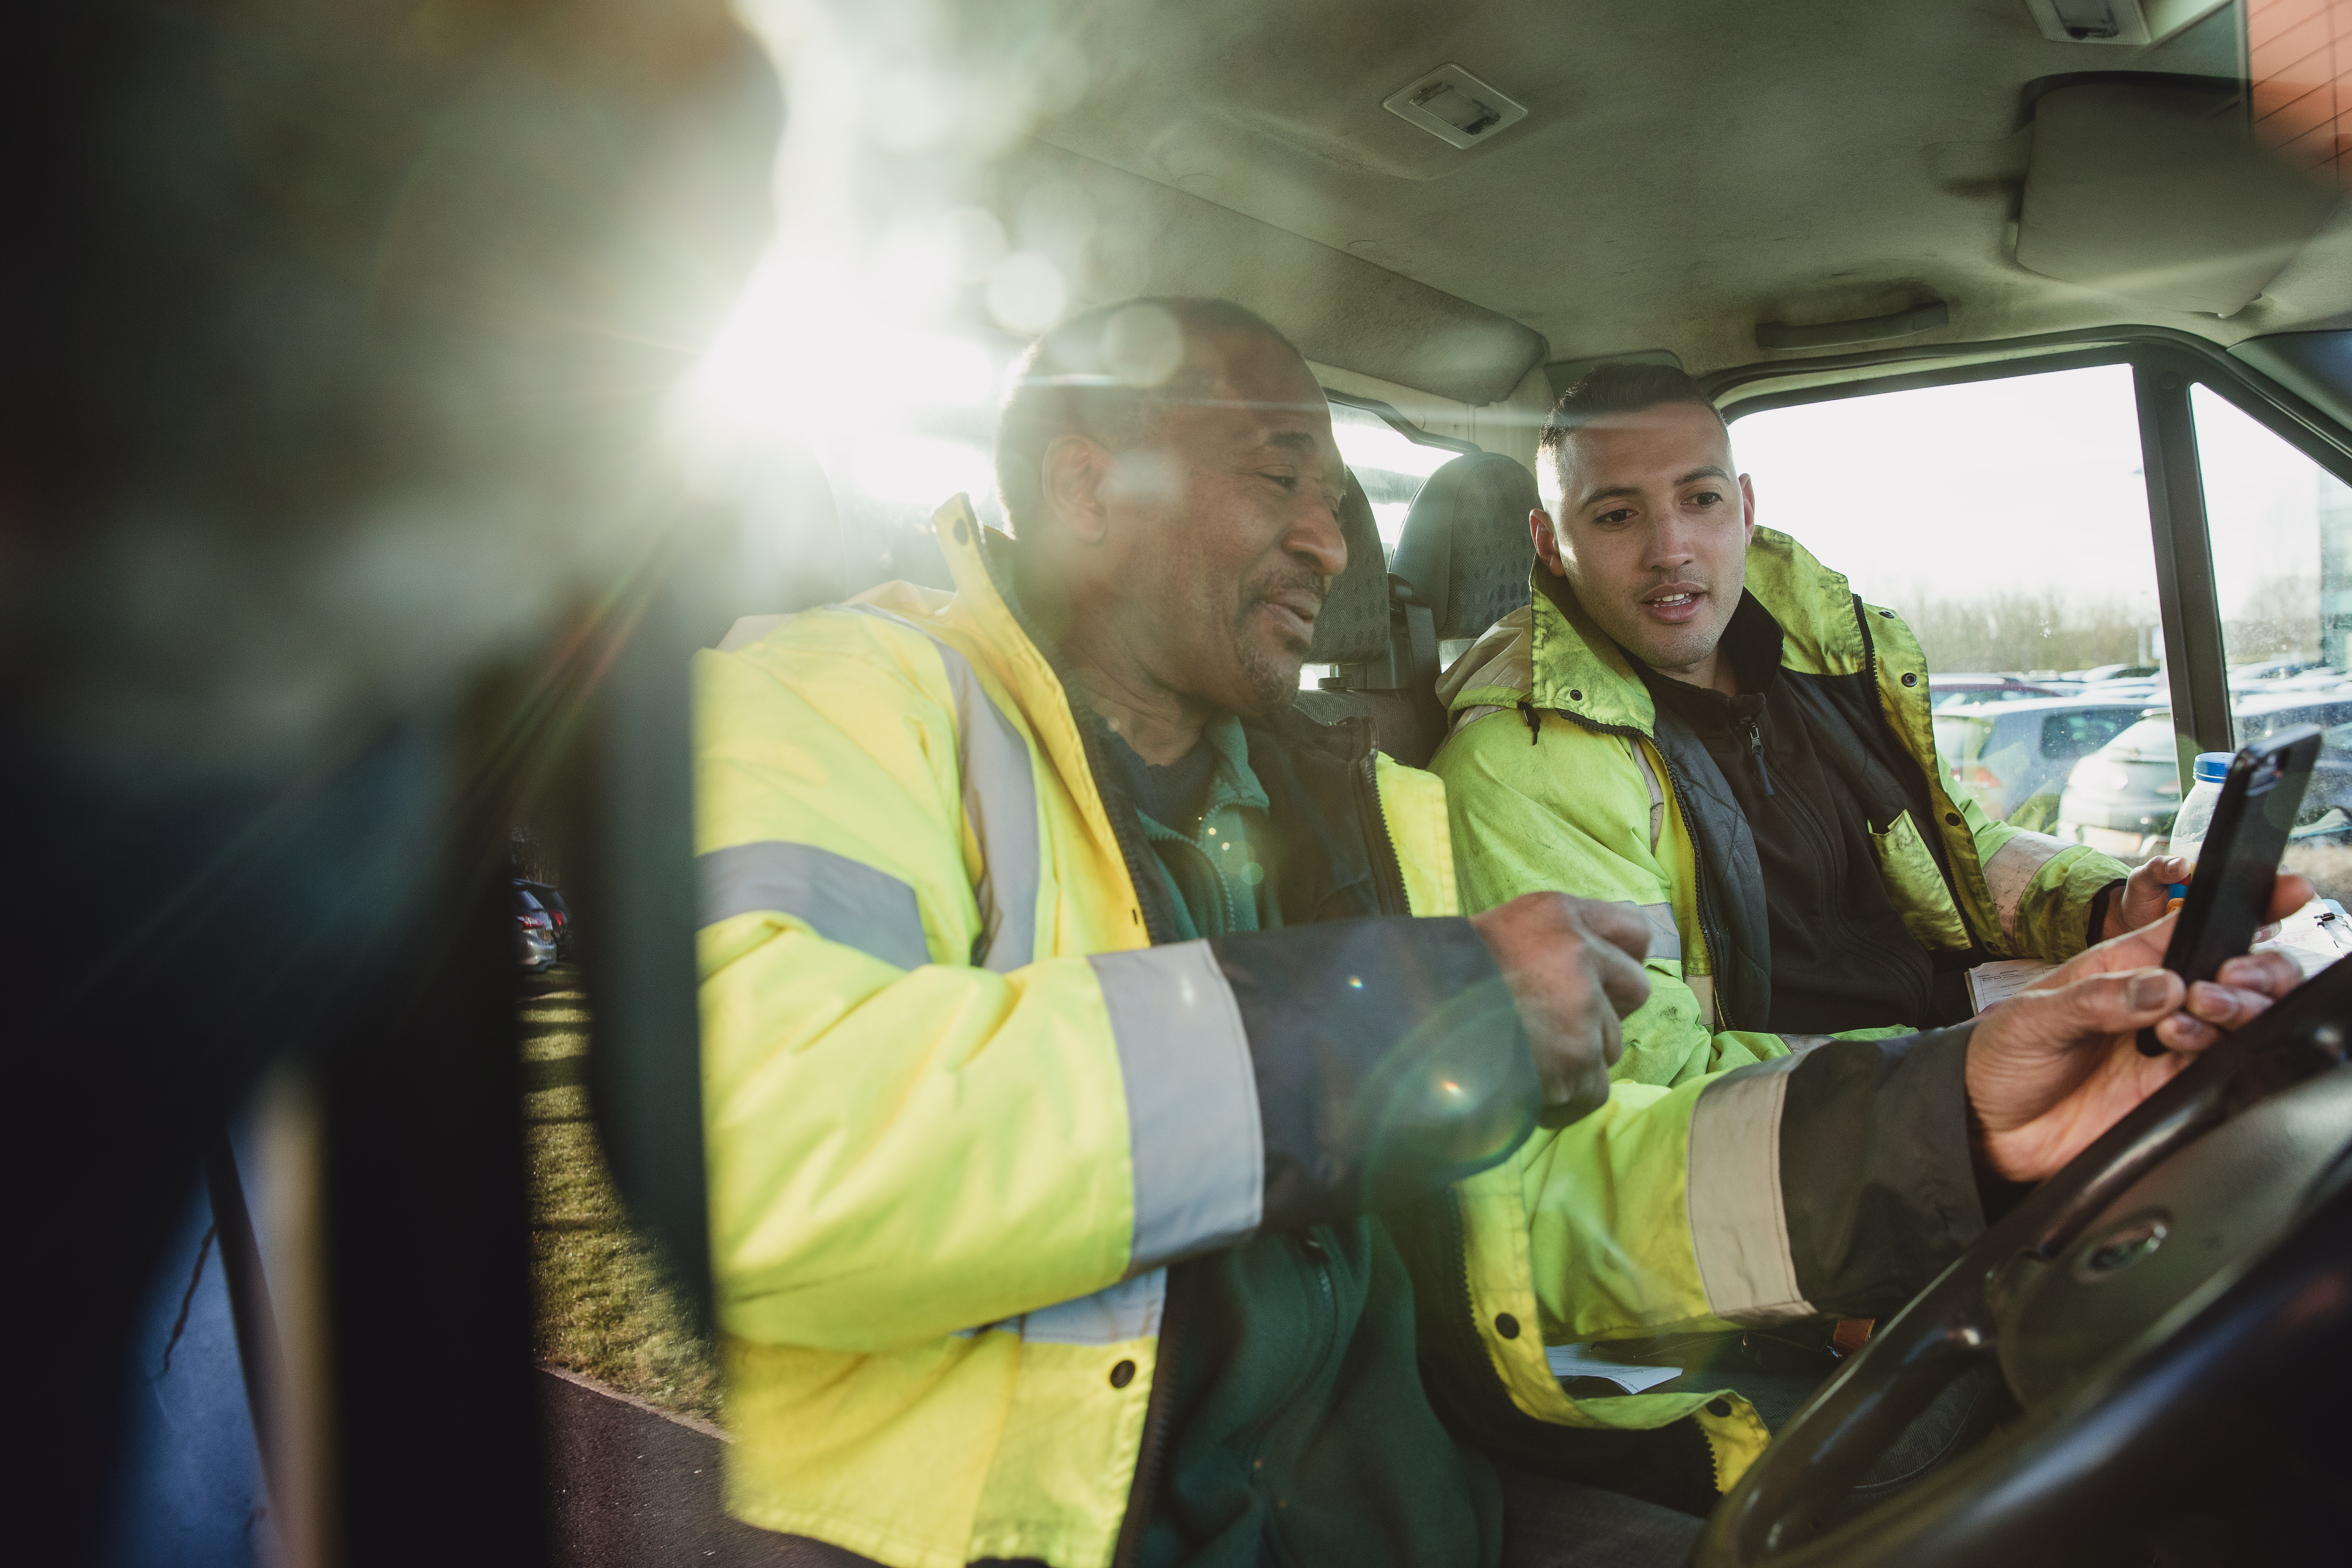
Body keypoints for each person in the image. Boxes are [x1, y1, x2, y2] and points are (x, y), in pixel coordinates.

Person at [694, 298, 2304, 1568]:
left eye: (1336, 493)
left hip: (1429, 1519)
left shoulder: (1358, 814)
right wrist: (1397, 1014)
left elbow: (1540, 1207)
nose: (1335, 541)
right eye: (1280, 477)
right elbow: (760, 1148)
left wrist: (1943, 1117)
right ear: (1084, 481)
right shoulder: (845, 699)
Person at [1433, 361, 2188, 1090]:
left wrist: (2108, 910)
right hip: (1824, 1135)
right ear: (1548, 545)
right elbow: (1656, 1079)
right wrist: (1967, 1059)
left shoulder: (1827, 659)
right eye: (1618, 515)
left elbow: (1959, 848)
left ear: (1747, 506)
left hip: (1945, 1042)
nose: (1671, 550)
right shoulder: (1518, 760)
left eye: (1700, 500)